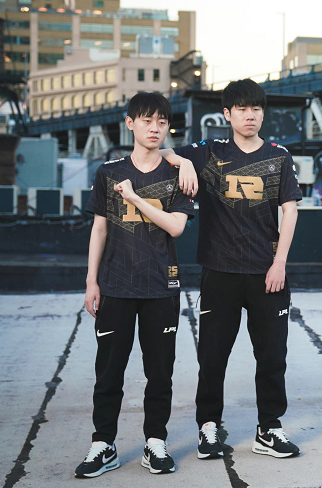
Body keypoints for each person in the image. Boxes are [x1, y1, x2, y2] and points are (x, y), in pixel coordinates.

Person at [160, 79, 302, 460]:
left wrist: (279, 263)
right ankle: (208, 426)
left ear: (263, 113)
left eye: (256, 109)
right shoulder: (210, 152)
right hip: (220, 270)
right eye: (241, 109)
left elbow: (290, 211)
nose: (249, 115)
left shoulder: (278, 156)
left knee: (272, 357)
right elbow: (162, 151)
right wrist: (184, 162)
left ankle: (269, 428)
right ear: (227, 114)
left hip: (267, 273)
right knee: (212, 355)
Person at [76, 92, 195, 478]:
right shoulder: (108, 172)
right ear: (130, 123)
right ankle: (103, 444)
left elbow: (176, 227)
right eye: (147, 120)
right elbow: (99, 230)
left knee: (160, 372)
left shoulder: (178, 174)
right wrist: (91, 281)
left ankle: (155, 442)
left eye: (162, 121)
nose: (155, 128)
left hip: (161, 286)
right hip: (115, 286)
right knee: (109, 372)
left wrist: (135, 197)